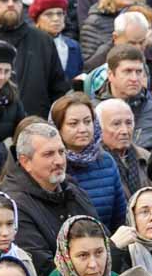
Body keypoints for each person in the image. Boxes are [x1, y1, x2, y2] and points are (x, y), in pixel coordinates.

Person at [0, 121, 98, 276]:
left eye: (61, 152)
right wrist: (111, 249)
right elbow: (44, 271)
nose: (59, 161)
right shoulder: (13, 205)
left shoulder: (74, 190)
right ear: (25, 162)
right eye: (48, 154)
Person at [54, 92, 127, 231]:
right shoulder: (53, 165)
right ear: (59, 128)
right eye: (73, 124)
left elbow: (120, 217)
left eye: (88, 122)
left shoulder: (106, 162)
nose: (83, 129)